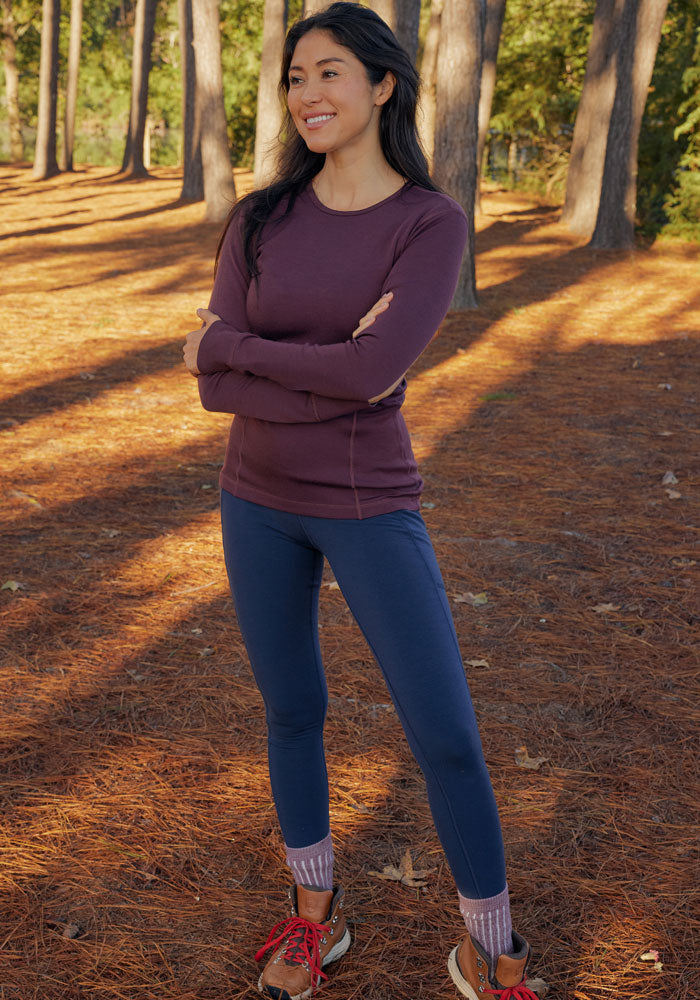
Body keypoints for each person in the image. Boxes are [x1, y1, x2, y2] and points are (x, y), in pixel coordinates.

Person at [183, 4, 541, 998]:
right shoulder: (259, 219)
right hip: (254, 498)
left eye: (329, 72)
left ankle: (489, 944)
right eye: (295, 77)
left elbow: (373, 368)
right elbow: (229, 386)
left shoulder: (427, 222)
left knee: (445, 735)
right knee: (292, 709)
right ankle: (314, 917)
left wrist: (237, 350)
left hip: (366, 500)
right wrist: (321, 369)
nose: (307, 95)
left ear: (384, 84)